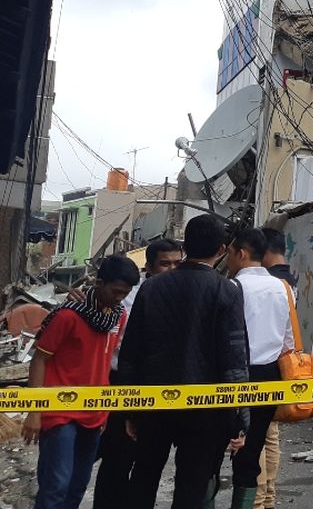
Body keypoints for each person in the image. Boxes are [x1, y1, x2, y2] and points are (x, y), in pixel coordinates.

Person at [119, 215, 250, 509]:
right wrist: (239, 419)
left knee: (143, 478)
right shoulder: (227, 290)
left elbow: (131, 351)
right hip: (204, 410)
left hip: (153, 404)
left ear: (185, 245)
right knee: (192, 487)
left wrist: (129, 409)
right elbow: (234, 359)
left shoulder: (151, 288)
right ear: (221, 248)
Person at [24, 255, 140, 509]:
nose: (120, 297)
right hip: (60, 410)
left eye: (125, 293)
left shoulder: (117, 316)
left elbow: (107, 362)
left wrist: (106, 408)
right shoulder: (67, 316)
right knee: (56, 484)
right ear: (99, 283)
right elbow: (39, 360)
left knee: (78, 485)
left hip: (95, 411)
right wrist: (34, 410)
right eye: (115, 291)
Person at [91, 238, 182, 509]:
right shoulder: (129, 295)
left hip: (161, 386)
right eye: (165, 263)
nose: (172, 269)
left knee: (150, 462)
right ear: (150, 267)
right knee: (117, 458)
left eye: (177, 263)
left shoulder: (181, 294)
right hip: (122, 381)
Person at [226, 228, 293, 509]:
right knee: (251, 453)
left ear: (241, 254)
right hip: (270, 376)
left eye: (229, 254)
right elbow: (289, 340)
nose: (228, 260)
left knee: (212, 451)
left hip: (234, 375)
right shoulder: (284, 288)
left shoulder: (232, 288)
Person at [254, 229, 294, 509]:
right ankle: (269, 498)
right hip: (281, 366)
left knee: (255, 436)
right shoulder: (289, 281)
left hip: (260, 366)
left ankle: (257, 501)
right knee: (271, 436)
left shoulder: (268, 282)